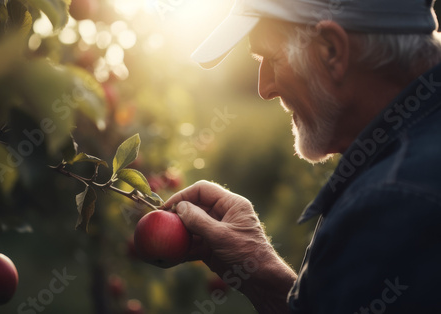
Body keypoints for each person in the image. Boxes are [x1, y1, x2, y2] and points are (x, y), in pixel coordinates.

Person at [164, 0, 441, 313]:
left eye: (271, 57)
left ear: (332, 51)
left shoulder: (392, 203)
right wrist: (258, 270)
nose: (264, 88)